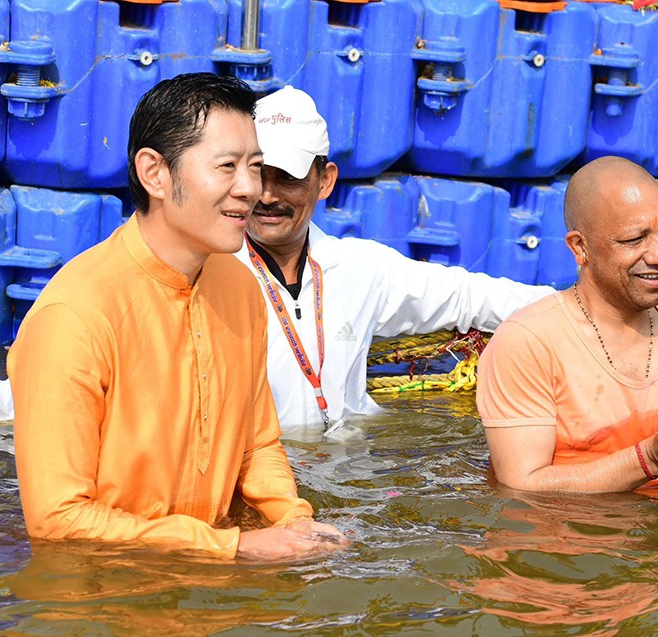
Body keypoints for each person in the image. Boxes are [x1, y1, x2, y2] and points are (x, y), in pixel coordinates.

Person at [7, 73, 345, 560]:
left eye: (255, 166)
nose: (250, 189)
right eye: (227, 166)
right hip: (108, 592)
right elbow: (58, 520)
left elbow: (257, 445)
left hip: (210, 581)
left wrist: (295, 520)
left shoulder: (240, 286)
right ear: (155, 174)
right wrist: (235, 547)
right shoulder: (75, 315)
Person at [237, 85, 554, 432]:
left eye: (287, 178)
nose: (267, 195)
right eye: (257, 173)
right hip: (262, 470)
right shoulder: (213, 272)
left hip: (345, 469)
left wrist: (583, 310)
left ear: (325, 181)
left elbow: (468, 297)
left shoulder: (359, 269)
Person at [476, 156, 658, 493]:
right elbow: (521, 486)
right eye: (634, 240)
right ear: (580, 247)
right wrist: (650, 459)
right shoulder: (529, 340)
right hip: (563, 539)